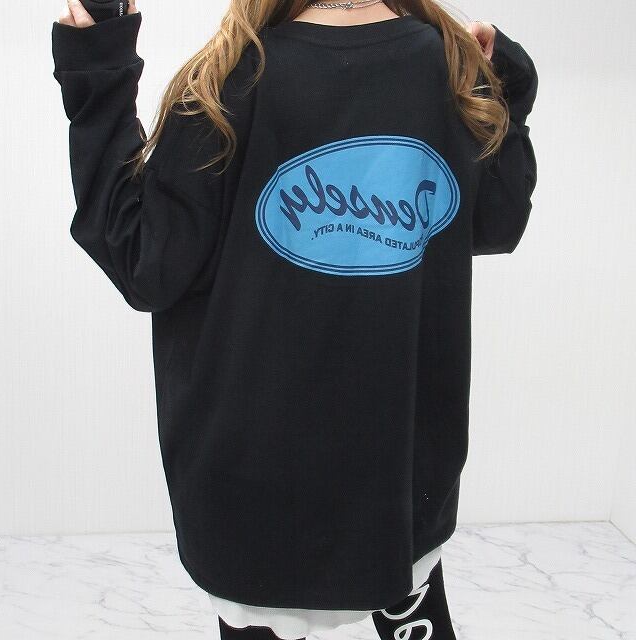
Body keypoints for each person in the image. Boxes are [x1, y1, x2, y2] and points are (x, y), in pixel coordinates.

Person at [52, 0, 538, 638]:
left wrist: (98, 73)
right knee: (415, 607)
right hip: (400, 478)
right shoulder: (448, 70)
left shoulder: (227, 81)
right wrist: (502, 79)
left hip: (254, 491)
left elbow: (147, 264)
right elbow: (498, 221)